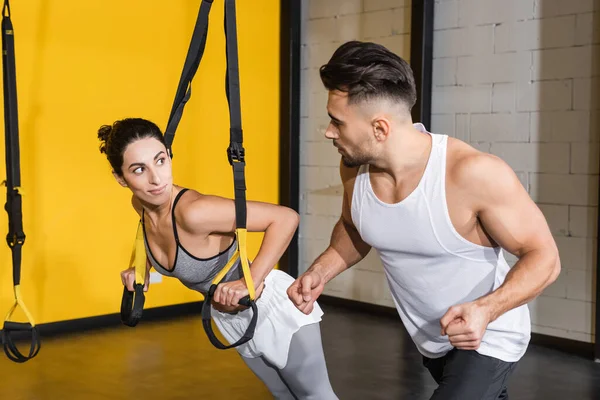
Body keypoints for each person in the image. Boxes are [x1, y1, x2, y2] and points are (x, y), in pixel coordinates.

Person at [287, 41, 561, 400]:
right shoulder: (355, 171)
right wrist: (319, 272)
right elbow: (355, 228)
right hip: (434, 342)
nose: (329, 132)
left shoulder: (471, 173)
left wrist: (485, 310)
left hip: (487, 335)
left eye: (337, 122)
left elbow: (544, 257)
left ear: (380, 129)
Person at [97, 117, 338, 400]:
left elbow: (285, 218)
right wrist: (139, 266)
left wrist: (252, 281)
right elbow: (156, 237)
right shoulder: (140, 204)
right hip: (229, 316)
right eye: (139, 169)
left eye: (160, 160)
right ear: (120, 178)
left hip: (271, 308)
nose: (156, 178)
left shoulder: (194, 212)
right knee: (283, 395)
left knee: (316, 397)